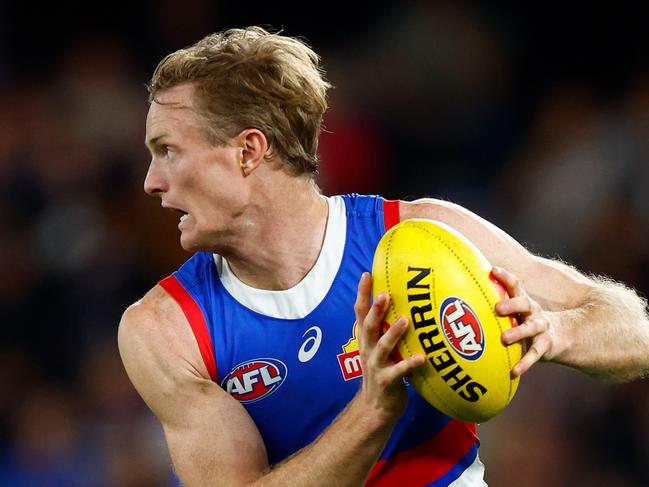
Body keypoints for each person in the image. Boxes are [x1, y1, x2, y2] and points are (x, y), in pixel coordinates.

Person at [117, 26, 649, 486]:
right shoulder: (165, 330)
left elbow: (636, 331)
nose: (151, 183)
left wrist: (556, 331)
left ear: (249, 151)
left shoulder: (420, 236)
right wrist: (373, 409)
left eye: (168, 150)